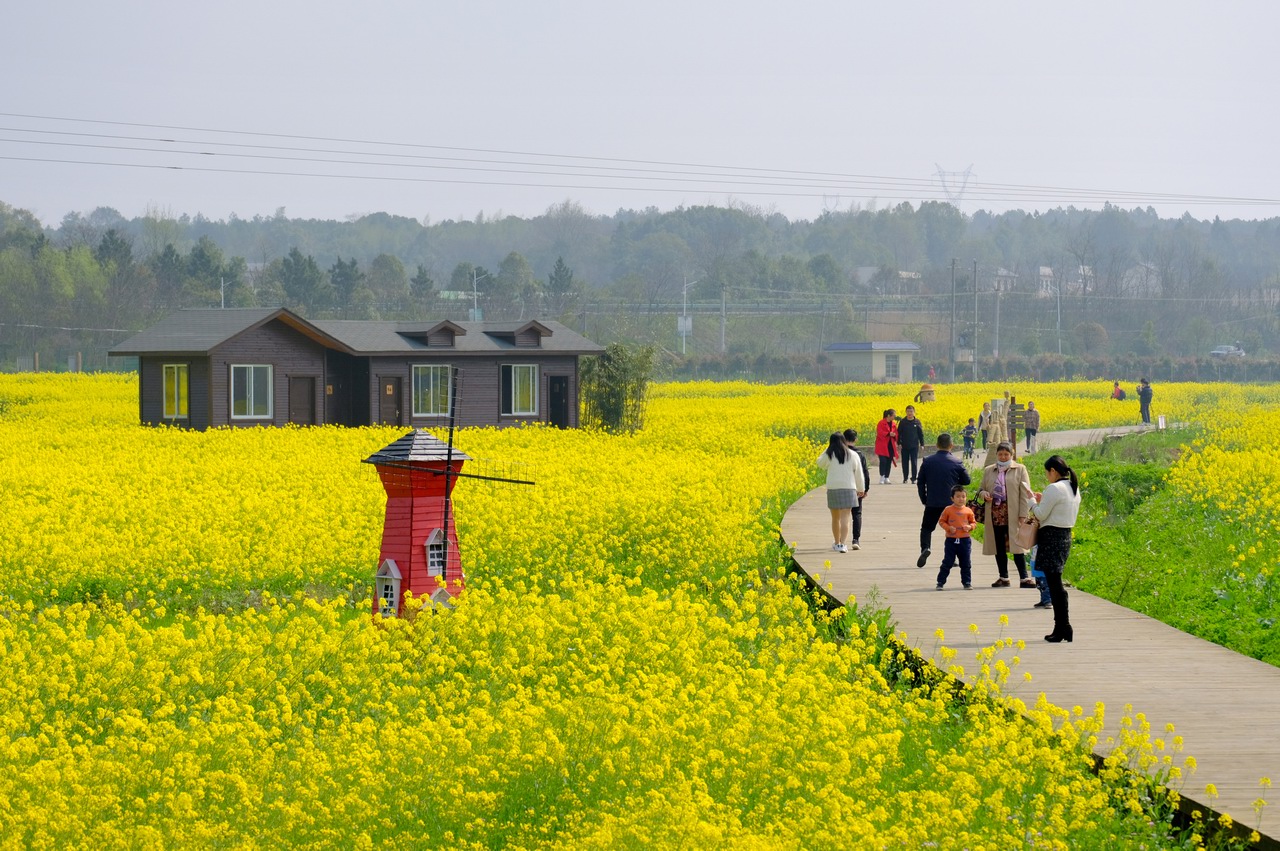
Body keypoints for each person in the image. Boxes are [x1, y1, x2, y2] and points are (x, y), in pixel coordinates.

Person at [1030, 455, 1082, 642]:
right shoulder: (1072, 487)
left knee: (1055, 585)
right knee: (1055, 583)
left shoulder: (1054, 488)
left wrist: (1032, 503)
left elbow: (1041, 514)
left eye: (1047, 473)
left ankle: (1063, 627)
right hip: (1065, 536)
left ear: (1052, 471)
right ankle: (1062, 627)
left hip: (1051, 537)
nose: (1047, 477)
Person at [977, 441, 1036, 588]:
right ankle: (1003, 577)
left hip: (1013, 514)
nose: (1003, 457)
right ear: (996, 454)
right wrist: (984, 494)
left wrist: (1023, 514)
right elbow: (980, 490)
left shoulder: (1020, 469)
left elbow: (1025, 494)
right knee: (999, 547)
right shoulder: (989, 470)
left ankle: (1024, 578)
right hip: (995, 514)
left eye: (1006, 454)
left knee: (1018, 546)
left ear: (1012, 454)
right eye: (1000, 454)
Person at [915, 433, 970, 568]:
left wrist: (924, 499)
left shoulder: (927, 461)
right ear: (951, 445)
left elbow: (920, 482)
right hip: (952, 503)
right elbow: (967, 480)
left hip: (932, 502)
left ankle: (925, 548)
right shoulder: (957, 462)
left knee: (927, 528)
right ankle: (953, 558)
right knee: (954, 529)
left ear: (937, 445)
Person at [817, 433, 865, 553]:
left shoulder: (829, 454)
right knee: (846, 517)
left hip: (834, 488)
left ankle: (837, 543)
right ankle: (843, 544)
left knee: (835, 518)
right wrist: (861, 488)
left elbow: (819, 463)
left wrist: (827, 449)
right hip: (849, 487)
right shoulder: (853, 454)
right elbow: (859, 473)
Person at [935, 484, 976, 590]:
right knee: (948, 561)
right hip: (951, 540)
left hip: (965, 540)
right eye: (958, 496)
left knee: (966, 562)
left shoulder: (968, 511)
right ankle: (940, 582)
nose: (961, 499)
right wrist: (948, 528)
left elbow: (974, 523)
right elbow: (941, 521)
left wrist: (970, 527)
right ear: (952, 498)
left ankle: (967, 582)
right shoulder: (948, 510)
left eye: (963, 496)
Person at [842, 428, 871, 550]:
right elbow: (864, 473)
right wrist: (865, 489)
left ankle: (839, 540)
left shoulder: (839, 453)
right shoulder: (859, 454)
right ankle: (856, 539)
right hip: (856, 487)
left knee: (842, 514)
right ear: (856, 440)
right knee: (856, 513)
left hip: (842, 487)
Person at [897, 405, 926, 484]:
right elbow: (899, 433)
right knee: (905, 463)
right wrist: (899, 443)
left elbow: (920, 434)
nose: (909, 413)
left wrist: (922, 444)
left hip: (914, 445)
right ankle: (905, 478)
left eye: (911, 411)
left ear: (914, 412)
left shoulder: (917, 422)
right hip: (904, 445)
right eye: (908, 411)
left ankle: (913, 478)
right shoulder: (903, 422)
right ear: (906, 412)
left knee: (914, 462)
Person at [874, 409, 899, 485]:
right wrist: (888, 434)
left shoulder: (894, 424)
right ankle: (882, 476)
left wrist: (894, 435)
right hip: (882, 445)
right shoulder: (881, 423)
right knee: (883, 461)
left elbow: (896, 433)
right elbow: (879, 432)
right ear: (889, 416)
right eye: (893, 415)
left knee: (889, 461)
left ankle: (887, 477)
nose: (894, 417)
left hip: (890, 445)